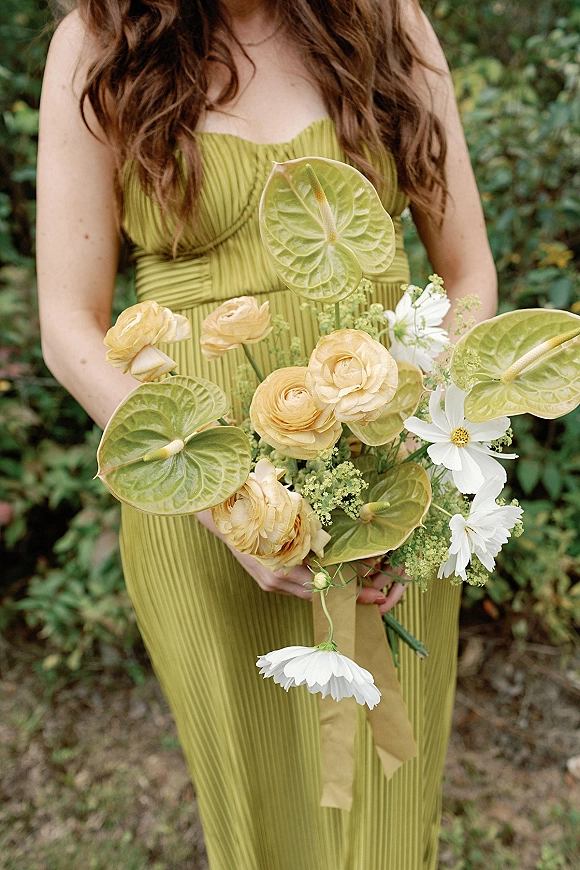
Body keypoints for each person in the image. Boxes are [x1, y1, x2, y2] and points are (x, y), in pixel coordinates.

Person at [37, 1, 497, 868]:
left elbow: (466, 269)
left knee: (391, 811)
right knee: (261, 812)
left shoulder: (386, 21)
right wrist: (230, 504)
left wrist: (420, 458)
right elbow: (68, 324)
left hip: (389, 483)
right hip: (204, 495)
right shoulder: (98, 47)